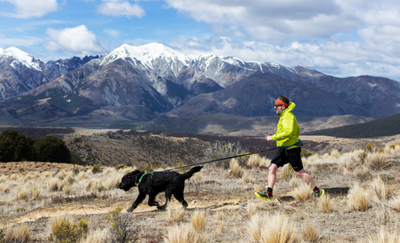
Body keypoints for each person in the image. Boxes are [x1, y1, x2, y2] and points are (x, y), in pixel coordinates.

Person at [255, 95, 324, 201]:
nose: (275, 108)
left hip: (291, 149)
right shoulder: (284, 116)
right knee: (272, 167)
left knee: (299, 172)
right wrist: (292, 139)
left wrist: (272, 137)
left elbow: (288, 132)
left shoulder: (288, 116)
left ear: (283, 106)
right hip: (283, 148)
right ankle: (269, 194)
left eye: (277, 106)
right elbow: (297, 130)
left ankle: (317, 191)